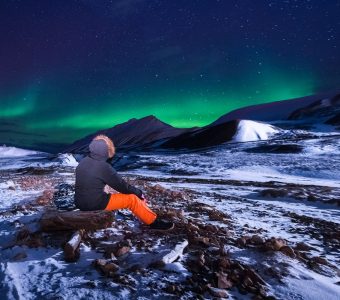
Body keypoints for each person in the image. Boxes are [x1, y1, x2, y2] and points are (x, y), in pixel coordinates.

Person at [74, 134, 174, 230]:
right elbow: (122, 186)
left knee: (110, 193)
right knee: (132, 199)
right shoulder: (103, 167)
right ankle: (153, 222)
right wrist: (139, 193)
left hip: (80, 202)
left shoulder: (84, 161)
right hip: (93, 204)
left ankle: (144, 215)